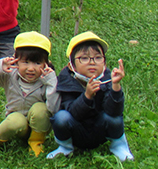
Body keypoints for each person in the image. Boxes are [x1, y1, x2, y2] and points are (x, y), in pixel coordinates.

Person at [47, 32, 134, 161]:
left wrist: (115, 86)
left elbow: (113, 112)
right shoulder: (66, 81)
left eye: (98, 57)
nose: (92, 62)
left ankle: (118, 145)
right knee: (61, 118)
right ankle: (65, 147)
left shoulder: (107, 79)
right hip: (77, 131)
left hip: (99, 130)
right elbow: (71, 113)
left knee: (115, 118)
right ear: (71, 65)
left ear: (104, 63)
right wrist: (87, 96)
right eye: (84, 58)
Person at [0, 31, 59, 157]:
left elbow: (54, 108)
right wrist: (0, 64)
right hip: (18, 124)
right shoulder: (10, 76)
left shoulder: (46, 80)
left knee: (40, 109)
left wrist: (52, 84)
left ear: (46, 63)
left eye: (37, 63)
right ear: (15, 60)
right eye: (26, 62)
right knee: (15, 121)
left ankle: (36, 141)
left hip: (40, 126)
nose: (31, 68)